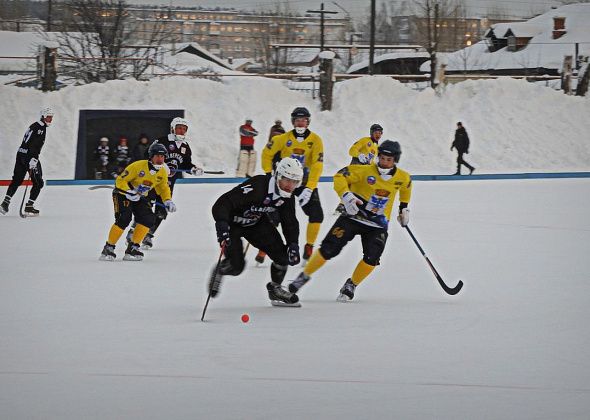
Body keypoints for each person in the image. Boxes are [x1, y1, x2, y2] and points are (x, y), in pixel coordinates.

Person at [288, 140, 412, 302]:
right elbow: (339, 176)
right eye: (382, 158)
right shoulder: (363, 170)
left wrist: (403, 208)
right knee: (328, 249)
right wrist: (346, 195)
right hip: (352, 217)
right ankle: (303, 276)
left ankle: (351, 284)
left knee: (372, 257)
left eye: (389, 160)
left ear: (395, 160)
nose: (384, 163)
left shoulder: (403, 177)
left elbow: (406, 188)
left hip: (377, 225)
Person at [210, 157, 304, 306]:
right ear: (278, 175)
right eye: (287, 180)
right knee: (236, 267)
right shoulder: (258, 186)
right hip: (232, 224)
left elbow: (290, 221)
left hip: (256, 223)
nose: (289, 186)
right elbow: (223, 203)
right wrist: (222, 225)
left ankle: (275, 289)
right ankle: (221, 269)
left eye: (295, 182)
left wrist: (293, 244)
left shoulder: (287, 197)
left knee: (283, 257)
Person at [127, 117, 203, 249]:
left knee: (162, 211)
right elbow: (148, 155)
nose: (182, 131)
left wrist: (193, 169)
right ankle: (134, 230)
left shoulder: (185, 147)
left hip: (168, 184)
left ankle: (148, 235)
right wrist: (162, 166)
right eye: (179, 128)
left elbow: (186, 163)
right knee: (146, 207)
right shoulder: (162, 141)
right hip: (153, 180)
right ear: (173, 128)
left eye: (184, 129)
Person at [261, 106, 325, 264]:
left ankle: (309, 246)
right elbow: (266, 154)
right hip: (284, 182)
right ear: (292, 122)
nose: (300, 123)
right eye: (297, 120)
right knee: (274, 215)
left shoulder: (316, 140)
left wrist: (310, 187)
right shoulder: (282, 139)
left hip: (303, 182)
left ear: (308, 122)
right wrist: (269, 173)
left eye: (303, 120)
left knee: (317, 214)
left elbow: (317, 164)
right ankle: (263, 247)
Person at [99, 143, 176, 261]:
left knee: (148, 218)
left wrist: (167, 200)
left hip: (139, 197)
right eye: (157, 156)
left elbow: (163, 187)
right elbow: (120, 180)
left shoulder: (162, 172)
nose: (160, 159)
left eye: (162, 157)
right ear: (151, 156)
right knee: (124, 218)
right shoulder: (137, 166)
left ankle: (133, 248)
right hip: (122, 194)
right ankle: (109, 247)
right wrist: (129, 191)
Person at [1, 107, 54, 216]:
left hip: (20, 154)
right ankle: (29, 206)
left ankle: (5, 203)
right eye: (48, 117)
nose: (50, 120)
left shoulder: (34, 125)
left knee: (16, 180)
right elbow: (35, 145)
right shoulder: (40, 128)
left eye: (51, 117)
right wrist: (33, 158)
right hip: (29, 157)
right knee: (38, 183)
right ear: (43, 116)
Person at [254, 119, 287, 265]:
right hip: (271, 189)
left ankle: (265, 250)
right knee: (269, 219)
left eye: (279, 135)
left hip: (285, 191)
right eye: (274, 135)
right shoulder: (269, 152)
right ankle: (262, 249)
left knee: (279, 220)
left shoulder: (286, 152)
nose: (276, 138)